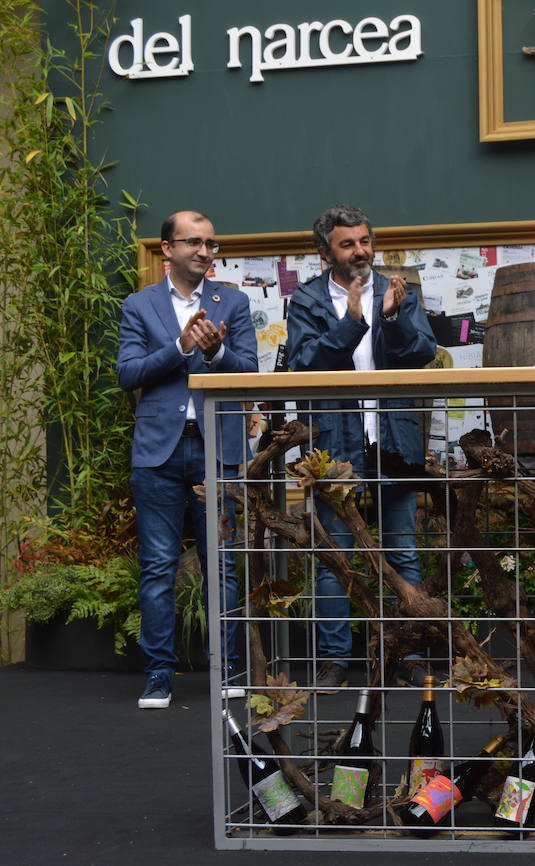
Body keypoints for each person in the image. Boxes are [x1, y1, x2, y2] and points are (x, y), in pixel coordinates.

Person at [286, 204, 436, 690]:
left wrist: (390, 317)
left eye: (365, 241)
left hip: (393, 438)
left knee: (403, 551)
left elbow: (422, 353)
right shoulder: (307, 300)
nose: (360, 251)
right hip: (335, 442)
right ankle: (335, 660)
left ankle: (410, 654)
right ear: (325, 251)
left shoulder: (397, 290)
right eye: (348, 243)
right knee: (335, 557)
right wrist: (351, 322)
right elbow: (304, 365)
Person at [118, 210, 256, 709]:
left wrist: (216, 354)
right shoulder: (140, 305)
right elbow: (128, 374)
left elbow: (250, 371)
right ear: (167, 249)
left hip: (218, 447)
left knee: (223, 565)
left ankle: (227, 669)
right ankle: (159, 674)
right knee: (158, 566)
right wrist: (180, 347)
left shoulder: (233, 302)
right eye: (194, 242)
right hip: (159, 451)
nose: (204, 251)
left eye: (211, 244)